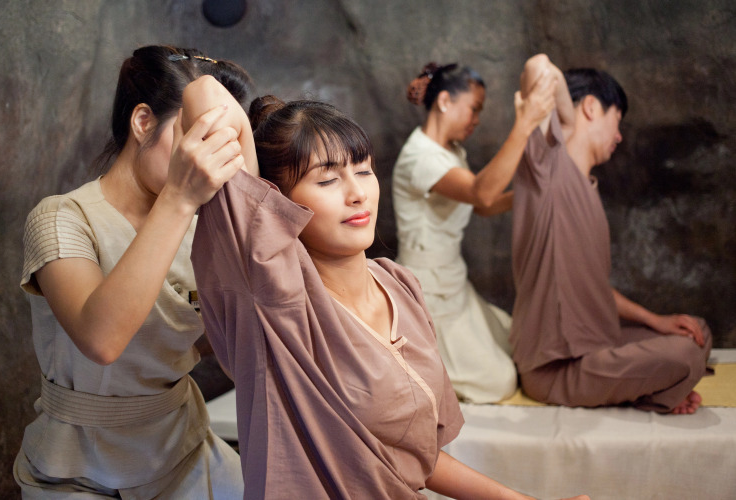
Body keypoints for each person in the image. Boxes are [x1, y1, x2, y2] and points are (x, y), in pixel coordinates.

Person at [188, 76, 589, 499]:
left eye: (364, 171)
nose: (357, 193)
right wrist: (256, 188)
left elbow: (415, 458)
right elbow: (205, 94)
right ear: (276, 203)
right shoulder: (276, 298)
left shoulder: (399, 286)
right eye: (326, 181)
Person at [13, 45, 255, 498]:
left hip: (183, 446)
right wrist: (179, 197)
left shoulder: (201, 222)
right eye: (196, 135)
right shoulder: (62, 217)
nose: (206, 157)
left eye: (222, 142)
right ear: (143, 122)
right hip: (79, 466)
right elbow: (102, 341)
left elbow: (235, 340)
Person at [510, 54, 712, 414]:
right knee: (683, 355)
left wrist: (655, 320)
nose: (619, 136)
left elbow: (593, 288)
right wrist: (567, 122)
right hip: (557, 368)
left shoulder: (587, 187)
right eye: (617, 121)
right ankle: (660, 391)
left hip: (600, 344)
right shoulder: (546, 164)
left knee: (695, 332)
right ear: (591, 107)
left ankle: (656, 389)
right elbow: (538, 66)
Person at [392, 62, 556, 402]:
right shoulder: (420, 157)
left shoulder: (450, 151)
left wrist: (534, 193)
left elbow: (481, 204)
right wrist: (524, 124)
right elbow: (481, 193)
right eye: (474, 109)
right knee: (500, 382)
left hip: (453, 281)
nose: (477, 120)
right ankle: (412, 368)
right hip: (429, 291)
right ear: (444, 101)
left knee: (517, 342)